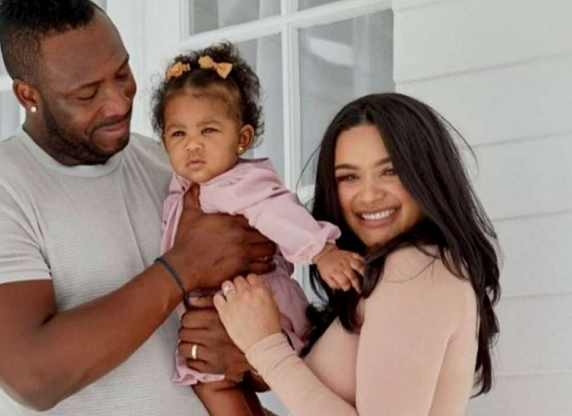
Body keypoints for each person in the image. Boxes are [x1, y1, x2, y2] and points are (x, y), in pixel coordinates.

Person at [0, 0, 274, 415]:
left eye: (122, 73)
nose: (117, 103)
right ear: (28, 95)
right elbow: (35, 376)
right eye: (87, 93)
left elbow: (264, 303)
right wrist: (184, 265)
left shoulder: (164, 163)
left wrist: (248, 361)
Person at [213, 93, 502, 415]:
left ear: (427, 175)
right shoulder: (400, 272)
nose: (369, 195)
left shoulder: (417, 268)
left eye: (390, 171)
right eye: (349, 177)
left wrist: (265, 347)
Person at [150, 43, 365, 414]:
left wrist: (321, 251)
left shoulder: (240, 183)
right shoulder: (184, 188)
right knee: (216, 383)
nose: (193, 145)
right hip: (222, 309)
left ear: (242, 139)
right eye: (178, 134)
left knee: (215, 384)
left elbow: (278, 211)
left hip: (257, 303)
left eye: (209, 130)